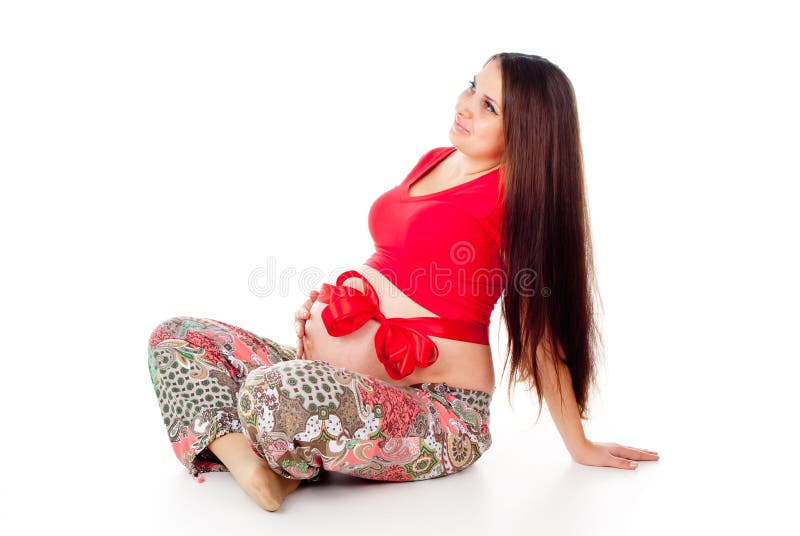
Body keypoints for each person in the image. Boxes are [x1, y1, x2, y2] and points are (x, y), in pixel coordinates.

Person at [147, 52, 659, 512]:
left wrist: (580, 445)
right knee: (176, 339)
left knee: (268, 393)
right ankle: (256, 463)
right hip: (329, 378)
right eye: (471, 87)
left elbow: (541, 333)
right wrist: (329, 320)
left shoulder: (516, 202)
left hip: (437, 411)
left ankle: (275, 446)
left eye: (490, 107)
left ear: (530, 131)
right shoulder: (436, 159)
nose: (465, 106)